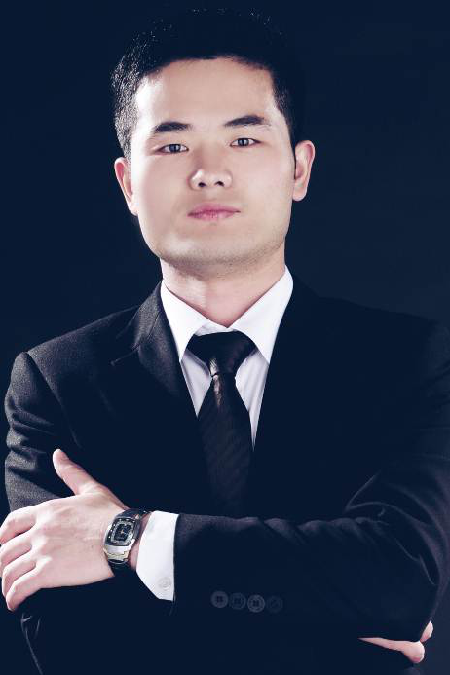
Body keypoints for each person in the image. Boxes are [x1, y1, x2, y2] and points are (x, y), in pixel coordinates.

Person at [1, 7, 449, 675]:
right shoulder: (56, 383)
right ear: (127, 183)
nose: (209, 172)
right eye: (173, 145)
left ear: (299, 169)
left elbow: (398, 580)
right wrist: (332, 611)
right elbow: (73, 645)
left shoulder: (411, 362)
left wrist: (132, 539)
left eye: (243, 139)